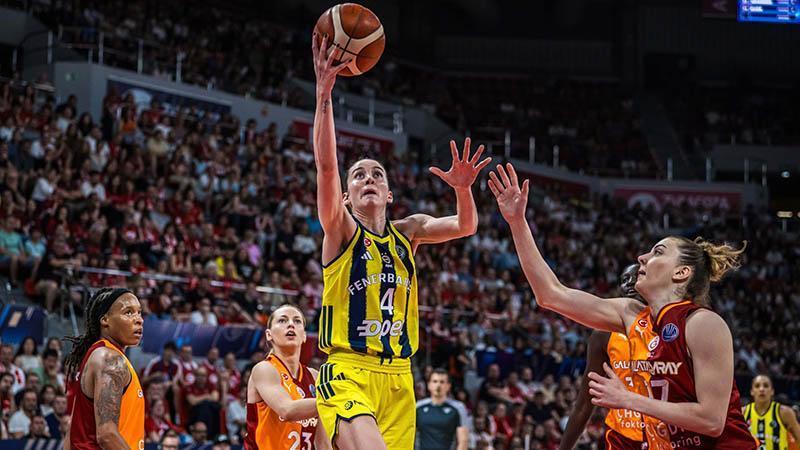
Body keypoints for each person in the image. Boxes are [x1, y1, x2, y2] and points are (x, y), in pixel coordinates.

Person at [487, 163, 757, 449]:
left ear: (681, 272)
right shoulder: (631, 315)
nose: (642, 258)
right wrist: (517, 222)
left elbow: (711, 421)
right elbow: (551, 295)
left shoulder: (702, 323)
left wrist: (628, 399)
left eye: (658, 252)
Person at [312, 34, 490, 450]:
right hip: (348, 368)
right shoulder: (340, 230)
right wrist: (324, 94)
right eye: (359, 175)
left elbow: (465, 225)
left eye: (377, 174)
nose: (368, 179)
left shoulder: (409, 232)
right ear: (345, 197)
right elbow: (326, 168)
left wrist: (463, 189)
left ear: (389, 194)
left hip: (399, 377)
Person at [560, 264, 652, 449]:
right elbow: (584, 404)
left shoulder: (669, 327)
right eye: (625, 279)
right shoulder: (604, 334)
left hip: (663, 433)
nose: (630, 283)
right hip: (621, 437)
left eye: (637, 276)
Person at [64, 287, 145, 450]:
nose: (139, 320)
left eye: (139, 312)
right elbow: (107, 435)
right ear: (105, 320)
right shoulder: (109, 359)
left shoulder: (102, 355)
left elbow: (70, 435)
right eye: (128, 312)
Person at [245, 304, 330, 450]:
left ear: (304, 335)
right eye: (282, 320)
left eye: (297, 321)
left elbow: (323, 442)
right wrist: (336, 400)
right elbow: (287, 410)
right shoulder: (265, 369)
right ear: (269, 335)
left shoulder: (314, 377)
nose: (291, 324)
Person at [416, 369, 470, 450]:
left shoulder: (458, 408)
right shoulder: (418, 407)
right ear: (428, 385)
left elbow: (463, 441)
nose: (438, 385)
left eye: (442, 382)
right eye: (435, 381)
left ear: (448, 386)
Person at [743, 375, 800, 450]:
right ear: (752, 391)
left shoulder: (784, 412)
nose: (761, 389)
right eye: (757, 386)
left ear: (772, 391)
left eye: (766, 386)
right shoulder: (743, 413)